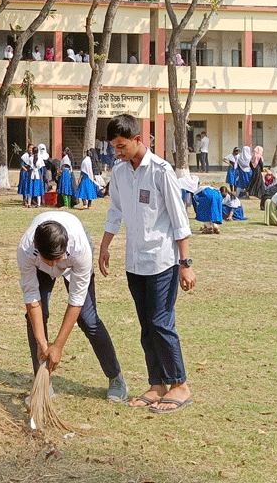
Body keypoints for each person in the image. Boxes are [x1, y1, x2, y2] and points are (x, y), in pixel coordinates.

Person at [99, 114, 194, 413]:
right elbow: (115, 212)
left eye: (121, 145)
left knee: (162, 323)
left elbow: (179, 219)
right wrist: (104, 246)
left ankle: (180, 384)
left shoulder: (161, 171)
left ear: (138, 140)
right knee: (146, 326)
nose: (118, 152)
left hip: (162, 261)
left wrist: (186, 262)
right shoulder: (120, 172)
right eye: (114, 147)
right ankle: (157, 384)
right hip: (134, 262)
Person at [19, 212, 127, 402]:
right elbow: (31, 296)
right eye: (49, 260)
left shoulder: (80, 247)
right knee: (36, 318)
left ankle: (115, 377)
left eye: (57, 259)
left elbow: (76, 299)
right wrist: (43, 343)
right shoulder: (26, 249)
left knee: (88, 319)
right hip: (39, 269)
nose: (54, 265)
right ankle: (43, 384)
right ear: (36, 246)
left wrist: (58, 346)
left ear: (65, 246)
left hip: (75, 264)